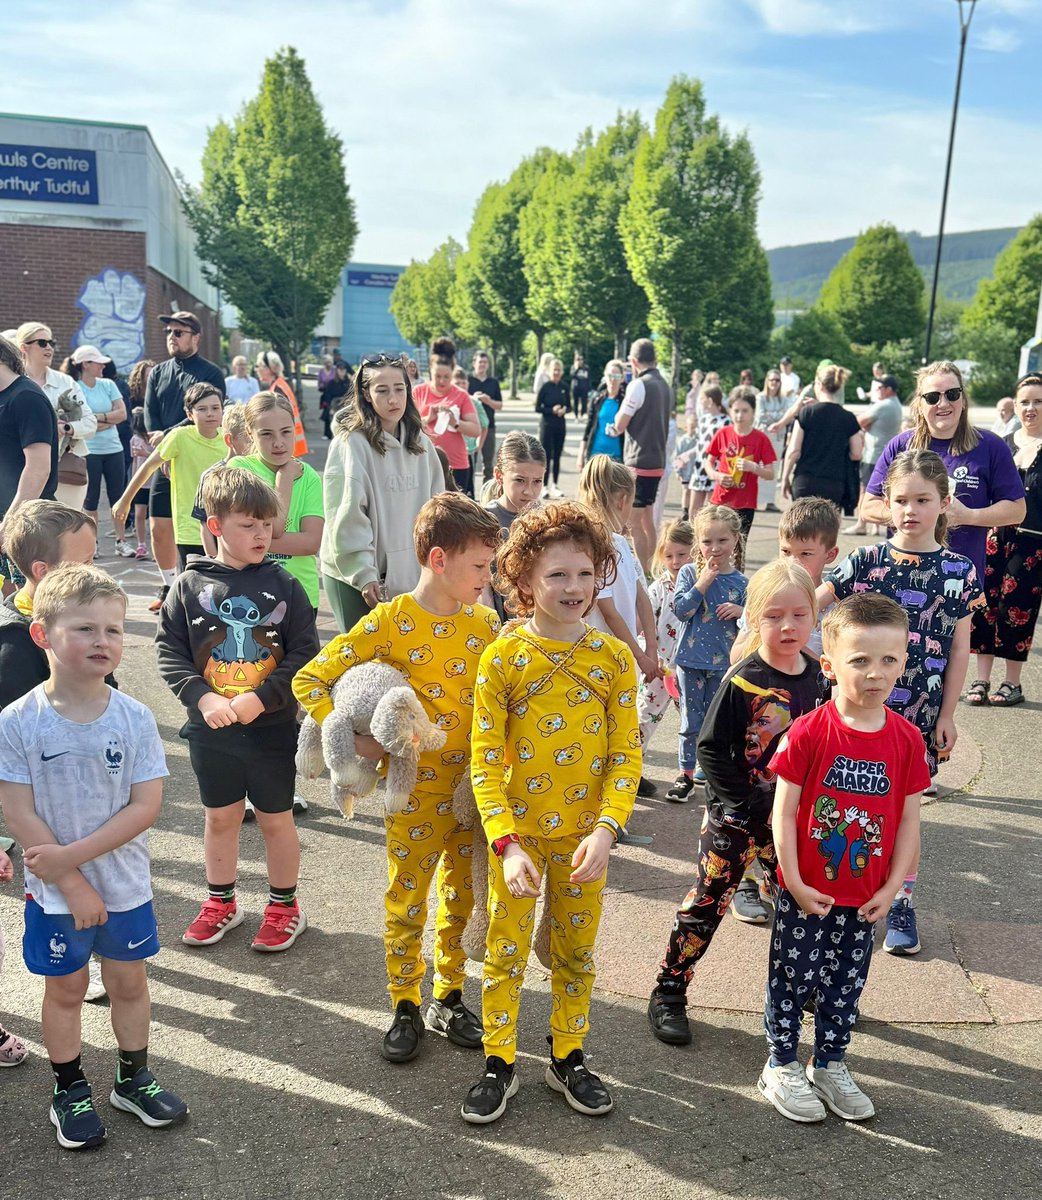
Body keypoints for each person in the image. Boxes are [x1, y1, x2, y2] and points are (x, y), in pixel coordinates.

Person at [294, 494, 502, 1065]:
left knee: (461, 898)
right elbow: (312, 680)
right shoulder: (390, 621)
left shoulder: (488, 624)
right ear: (439, 558)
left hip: (473, 795)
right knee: (407, 899)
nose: (490, 577)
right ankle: (405, 1002)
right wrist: (358, 742)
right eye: (480, 566)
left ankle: (448, 995)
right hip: (411, 796)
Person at [460, 501, 639, 1124]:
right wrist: (506, 844)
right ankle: (498, 1062)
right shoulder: (504, 659)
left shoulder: (614, 659)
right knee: (504, 953)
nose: (574, 588)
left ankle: (568, 1055)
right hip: (520, 841)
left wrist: (608, 829)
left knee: (575, 953)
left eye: (586, 574)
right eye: (557, 575)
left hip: (588, 842)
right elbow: (483, 758)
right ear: (524, 579)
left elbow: (626, 757)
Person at [0, 563, 188, 1149]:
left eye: (112, 628)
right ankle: (69, 1087)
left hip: (124, 886)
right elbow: (19, 810)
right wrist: (70, 882)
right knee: (66, 990)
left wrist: (75, 865)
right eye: (84, 628)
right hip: (54, 891)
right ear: (42, 636)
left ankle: (133, 1077)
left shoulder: (133, 717)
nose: (103, 640)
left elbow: (145, 806)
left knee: (130, 984)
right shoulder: (17, 721)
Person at [758, 593, 928, 1123]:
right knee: (792, 976)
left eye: (889, 660)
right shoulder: (809, 732)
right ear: (829, 665)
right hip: (808, 890)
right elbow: (783, 815)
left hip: (866, 897)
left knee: (845, 984)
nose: (875, 673)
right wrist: (791, 878)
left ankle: (829, 1063)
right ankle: (781, 1064)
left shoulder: (906, 740)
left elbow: (909, 823)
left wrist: (892, 888)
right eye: (859, 660)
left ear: (904, 661)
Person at [647, 559, 825, 1047]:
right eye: (772, 615)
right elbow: (711, 748)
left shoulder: (818, 678)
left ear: (814, 615)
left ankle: (799, 989)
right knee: (707, 903)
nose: (787, 626)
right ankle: (669, 989)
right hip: (735, 819)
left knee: (799, 904)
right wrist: (741, 804)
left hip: (790, 822)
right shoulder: (744, 678)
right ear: (751, 618)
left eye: (798, 614)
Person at [819, 449, 984, 957]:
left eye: (922, 500)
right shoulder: (865, 562)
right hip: (853, 714)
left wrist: (950, 714)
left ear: (944, 504)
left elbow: (959, 649)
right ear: (885, 503)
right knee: (844, 808)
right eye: (900, 500)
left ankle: (901, 901)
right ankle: (837, 891)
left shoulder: (960, 570)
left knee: (904, 813)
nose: (910, 510)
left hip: (918, 719)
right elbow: (813, 603)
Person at [156, 468, 319, 951]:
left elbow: (305, 654)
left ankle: (285, 906)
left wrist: (262, 698)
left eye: (267, 525)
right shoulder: (188, 587)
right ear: (215, 526)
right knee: (220, 819)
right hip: (211, 731)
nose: (262, 535)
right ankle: (220, 903)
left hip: (271, 731)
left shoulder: (286, 586)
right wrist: (202, 698)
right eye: (249, 524)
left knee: (276, 820)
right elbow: (170, 653)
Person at [860, 360, 1026, 588]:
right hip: (901, 575)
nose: (943, 403)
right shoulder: (900, 445)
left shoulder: (990, 446)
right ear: (919, 404)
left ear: (964, 399)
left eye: (952, 394)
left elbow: (1017, 510)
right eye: (932, 397)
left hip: (961, 581)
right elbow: (868, 506)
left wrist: (969, 516)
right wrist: (913, 514)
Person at [321, 352, 444, 634]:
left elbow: (438, 509)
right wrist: (364, 573)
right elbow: (348, 514)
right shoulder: (350, 444)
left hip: (408, 575)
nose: (393, 399)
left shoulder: (421, 443)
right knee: (361, 667)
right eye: (382, 390)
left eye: (399, 389)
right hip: (355, 576)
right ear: (366, 394)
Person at [967, 373, 1042, 707]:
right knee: (985, 605)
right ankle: (981, 679)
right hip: (995, 536)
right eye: (1025, 401)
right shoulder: (1002, 442)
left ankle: (1012, 683)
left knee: (1018, 609)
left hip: (1033, 542)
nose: (1030, 408)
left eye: (1038, 401)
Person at [664, 504, 747, 802]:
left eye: (722, 541)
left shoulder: (742, 583)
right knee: (690, 721)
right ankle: (684, 775)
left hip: (724, 664)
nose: (714, 548)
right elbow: (681, 610)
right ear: (697, 543)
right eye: (707, 541)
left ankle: (709, 770)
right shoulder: (689, 572)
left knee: (716, 722)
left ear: (735, 540)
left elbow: (753, 624)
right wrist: (703, 582)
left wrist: (742, 611)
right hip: (689, 660)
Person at [145, 311, 226, 612]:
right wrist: (156, 436)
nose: (172, 337)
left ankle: (207, 585)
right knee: (158, 526)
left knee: (202, 525)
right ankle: (168, 583)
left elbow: (203, 412)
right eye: (169, 332)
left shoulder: (211, 373)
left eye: (179, 332)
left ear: (196, 337)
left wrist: (168, 437)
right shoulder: (158, 371)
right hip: (164, 456)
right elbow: (149, 408)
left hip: (193, 456)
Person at [226, 391, 325, 610]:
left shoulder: (308, 475)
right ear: (250, 434)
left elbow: (311, 543)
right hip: (250, 594)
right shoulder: (240, 470)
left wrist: (255, 540)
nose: (278, 443)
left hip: (300, 594)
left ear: (295, 430)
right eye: (267, 434)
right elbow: (276, 528)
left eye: (286, 432)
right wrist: (285, 478)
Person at [113, 383, 226, 573]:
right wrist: (125, 500)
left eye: (215, 408)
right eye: (202, 409)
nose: (210, 414)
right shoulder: (179, 437)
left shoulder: (228, 439)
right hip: (190, 529)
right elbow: (148, 466)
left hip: (224, 529)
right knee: (193, 587)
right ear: (189, 414)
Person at [579, 456, 659, 686]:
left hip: (604, 654)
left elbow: (639, 598)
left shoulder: (608, 543)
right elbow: (610, 611)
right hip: (609, 656)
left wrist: (646, 652)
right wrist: (644, 653)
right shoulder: (607, 545)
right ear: (623, 501)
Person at [636, 518, 694, 798]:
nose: (675, 561)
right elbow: (645, 624)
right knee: (644, 716)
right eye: (669, 555)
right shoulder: (659, 589)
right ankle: (631, 769)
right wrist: (651, 656)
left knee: (693, 721)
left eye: (682, 554)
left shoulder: (700, 588)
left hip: (691, 669)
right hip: (660, 667)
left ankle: (690, 772)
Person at [606, 338, 673, 573]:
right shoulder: (665, 385)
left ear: (634, 362)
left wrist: (612, 428)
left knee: (633, 522)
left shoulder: (638, 385)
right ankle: (654, 567)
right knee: (647, 519)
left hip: (638, 460)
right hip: (657, 460)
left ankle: (642, 571)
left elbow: (620, 423)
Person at [15, 321, 97, 510]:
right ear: (24, 347)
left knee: (65, 529)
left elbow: (90, 423)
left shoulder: (65, 382)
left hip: (66, 470)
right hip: (23, 468)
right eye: (42, 343)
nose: (49, 348)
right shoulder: (13, 383)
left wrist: (67, 428)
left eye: (52, 342)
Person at [0, 333, 59, 593]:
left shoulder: (26, 397)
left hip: (25, 520)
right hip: (8, 517)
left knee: (29, 599)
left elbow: (38, 468)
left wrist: (10, 521)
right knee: (10, 599)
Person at [479, 430, 546, 621]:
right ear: (499, 475)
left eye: (537, 481)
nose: (529, 491)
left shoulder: (547, 519)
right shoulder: (484, 519)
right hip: (498, 624)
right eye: (520, 480)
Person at [780, 364, 862, 512]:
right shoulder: (848, 418)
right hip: (834, 483)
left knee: (801, 531)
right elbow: (856, 453)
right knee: (827, 532)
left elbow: (793, 451)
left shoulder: (806, 413)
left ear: (820, 385)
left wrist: (785, 477)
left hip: (805, 481)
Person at [703, 386, 777, 537]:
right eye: (736, 410)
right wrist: (717, 476)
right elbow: (708, 463)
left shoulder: (761, 439)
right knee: (714, 543)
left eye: (745, 411)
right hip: (720, 500)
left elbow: (770, 474)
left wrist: (754, 467)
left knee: (738, 549)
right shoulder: (723, 433)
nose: (739, 415)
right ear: (730, 411)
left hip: (745, 503)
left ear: (753, 412)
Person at [413, 338, 480, 496]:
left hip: (456, 464)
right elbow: (406, 425)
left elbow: (475, 430)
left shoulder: (461, 395)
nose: (442, 381)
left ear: (453, 372)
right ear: (430, 369)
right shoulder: (418, 392)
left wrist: (455, 423)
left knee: (455, 514)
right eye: (438, 376)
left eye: (447, 377)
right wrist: (427, 419)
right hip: (423, 462)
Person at [844, 373, 903, 536]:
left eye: (881, 388)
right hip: (886, 453)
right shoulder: (896, 405)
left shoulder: (883, 405)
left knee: (866, 491)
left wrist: (866, 427)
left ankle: (861, 524)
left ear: (889, 389)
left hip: (873, 454)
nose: (878, 391)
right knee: (881, 492)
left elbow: (859, 422)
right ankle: (875, 526)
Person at [683, 383, 730, 523]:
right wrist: (687, 455)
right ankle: (693, 539)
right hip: (699, 467)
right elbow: (700, 444)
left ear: (710, 401)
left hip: (715, 467)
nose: (700, 402)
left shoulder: (726, 421)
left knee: (712, 511)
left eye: (702, 399)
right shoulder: (703, 419)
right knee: (693, 511)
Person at [255, 351, 308, 457]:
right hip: (289, 444)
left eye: (258, 366)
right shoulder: (279, 385)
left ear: (268, 368)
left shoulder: (277, 389)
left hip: (285, 447)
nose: (256, 369)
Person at [578, 359, 626, 470]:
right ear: (605, 376)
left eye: (617, 376)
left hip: (617, 456)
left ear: (622, 378)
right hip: (596, 454)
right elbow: (589, 427)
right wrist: (581, 455)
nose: (613, 380)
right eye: (610, 376)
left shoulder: (626, 401)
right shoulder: (597, 399)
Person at [468, 349, 503, 487]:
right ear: (474, 363)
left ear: (488, 365)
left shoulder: (493, 382)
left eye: (485, 362)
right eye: (480, 362)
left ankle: (486, 494)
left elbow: (499, 405)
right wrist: (473, 399)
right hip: (471, 426)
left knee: (488, 463)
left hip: (489, 427)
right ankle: (469, 493)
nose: (482, 365)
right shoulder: (468, 380)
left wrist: (488, 400)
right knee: (470, 461)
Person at [535, 358, 569, 499]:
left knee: (557, 455)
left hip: (560, 424)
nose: (556, 372)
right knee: (546, 456)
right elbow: (538, 407)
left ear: (562, 372)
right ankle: (543, 485)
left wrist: (564, 409)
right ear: (549, 372)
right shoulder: (545, 387)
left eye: (558, 370)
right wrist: (551, 410)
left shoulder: (564, 387)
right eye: (554, 370)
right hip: (547, 424)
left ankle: (555, 484)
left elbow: (570, 405)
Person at [754, 370, 786, 513]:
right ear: (767, 381)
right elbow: (760, 416)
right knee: (760, 467)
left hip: (777, 437)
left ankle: (770, 501)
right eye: (772, 380)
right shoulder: (760, 397)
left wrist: (776, 418)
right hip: (763, 435)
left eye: (777, 380)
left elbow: (786, 415)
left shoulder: (783, 399)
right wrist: (778, 418)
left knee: (774, 467)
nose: (774, 383)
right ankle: (756, 500)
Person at [128, 409, 153, 559]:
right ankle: (141, 544)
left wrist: (146, 453)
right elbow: (134, 461)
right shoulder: (134, 439)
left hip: (154, 481)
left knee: (156, 517)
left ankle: (159, 545)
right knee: (139, 514)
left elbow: (161, 458)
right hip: (141, 483)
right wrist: (133, 480)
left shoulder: (154, 438)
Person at [672, 411, 699, 520]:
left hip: (695, 471)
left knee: (694, 493)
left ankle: (693, 511)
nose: (693, 429)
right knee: (686, 490)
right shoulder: (682, 440)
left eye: (695, 427)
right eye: (691, 427)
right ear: (686, 427)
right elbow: (677, 456)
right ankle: (685, 510)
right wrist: (678, 471)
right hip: (686, 470)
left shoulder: (698, 440)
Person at [321, 359, 352, 440]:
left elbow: (351, 394)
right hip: (333, 403)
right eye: (340, 369)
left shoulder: (348, 382)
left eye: (343, 370)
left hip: (345, 403)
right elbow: (327, 395)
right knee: (329, 417)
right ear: (337, 370)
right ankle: (327, 434)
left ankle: (344, 433)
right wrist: (329, 407)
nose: (342, 371)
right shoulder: (332, 382)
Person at [569, 352, 591, 418]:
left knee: (584, 402)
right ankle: (576, 416)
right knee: (575, 402)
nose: (580, 361)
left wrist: (589, 387)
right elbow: (571, 376)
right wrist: (576, 368)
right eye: (578, 359)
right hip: (575, 387)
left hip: (584, 388)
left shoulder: (586, 368)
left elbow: (588, 378)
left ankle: (582, 415)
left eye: (581, 359)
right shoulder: (573, 367)